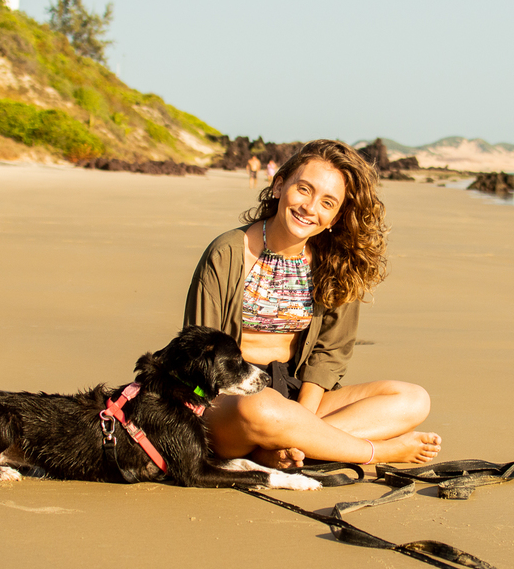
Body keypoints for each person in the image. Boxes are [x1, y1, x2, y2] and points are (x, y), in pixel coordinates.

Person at [184, 139, 441, 469]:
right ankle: (373, 451)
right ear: (279, 186)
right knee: (261, 408)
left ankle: (281, 448)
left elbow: (329, 353)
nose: (310, 207)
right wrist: (279, 415)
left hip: (294, 392)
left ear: (335, 217)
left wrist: (300, 416)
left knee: (413, 400)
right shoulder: (229, 252)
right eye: (304, 189)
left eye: (327, 202)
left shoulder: (334, 265)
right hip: (229, 400)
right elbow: (200, 350)